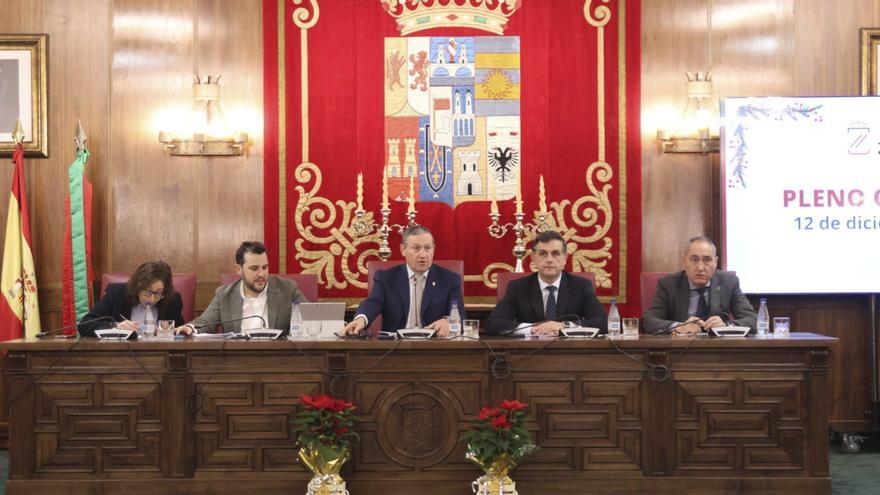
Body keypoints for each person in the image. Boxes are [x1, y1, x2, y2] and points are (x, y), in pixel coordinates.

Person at [342, 225, 466, 337]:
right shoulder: (386, 278)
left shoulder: (449, 279)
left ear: (433, 249)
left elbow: (460, 315)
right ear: (403, 250)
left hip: (435, 347)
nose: (423, 254)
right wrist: (360, 320)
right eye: (416, 248)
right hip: (394, 350)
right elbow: (373, 302)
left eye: (427, 248)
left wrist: (448, 321)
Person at [485, 230, 607, 336]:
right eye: (543, 254)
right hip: (528, 354)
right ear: (533, 258)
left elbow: (603, 323)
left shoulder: (581, 286)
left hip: (570, 354)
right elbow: (493, 324)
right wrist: (533, 329)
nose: (549, 259)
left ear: (564, 259)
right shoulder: (518, 287)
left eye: (555, 253)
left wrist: (564, 326)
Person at [177, 241, 306, 335]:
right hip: (238, 361)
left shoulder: (288, 289)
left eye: (265, 267)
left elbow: (312, 320)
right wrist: (190, 327)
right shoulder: (224, 295)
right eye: (254, 268)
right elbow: (205, 322)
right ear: (239, 269)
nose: (261, 274)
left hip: (279, 360)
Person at [642, 236, 757, 335]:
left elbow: (752, 320)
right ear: (684, 261)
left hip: (720, 350)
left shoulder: (729, 282)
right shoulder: (668, 284)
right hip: (679, 350)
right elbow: (648, 321)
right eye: (694, 260)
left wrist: (726, 325)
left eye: (707, 260)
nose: (700, 267)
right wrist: (679, 326)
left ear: (715, 262)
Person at [78, 261, 184, 337]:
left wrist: (177, 331)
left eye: (158, 293)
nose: (152, 299)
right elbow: (85, 325)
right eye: (147, 291)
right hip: (121, 356)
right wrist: (116, 326)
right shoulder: (117, 293)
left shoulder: (172, 300)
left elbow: (180, 332)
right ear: (137, 286)